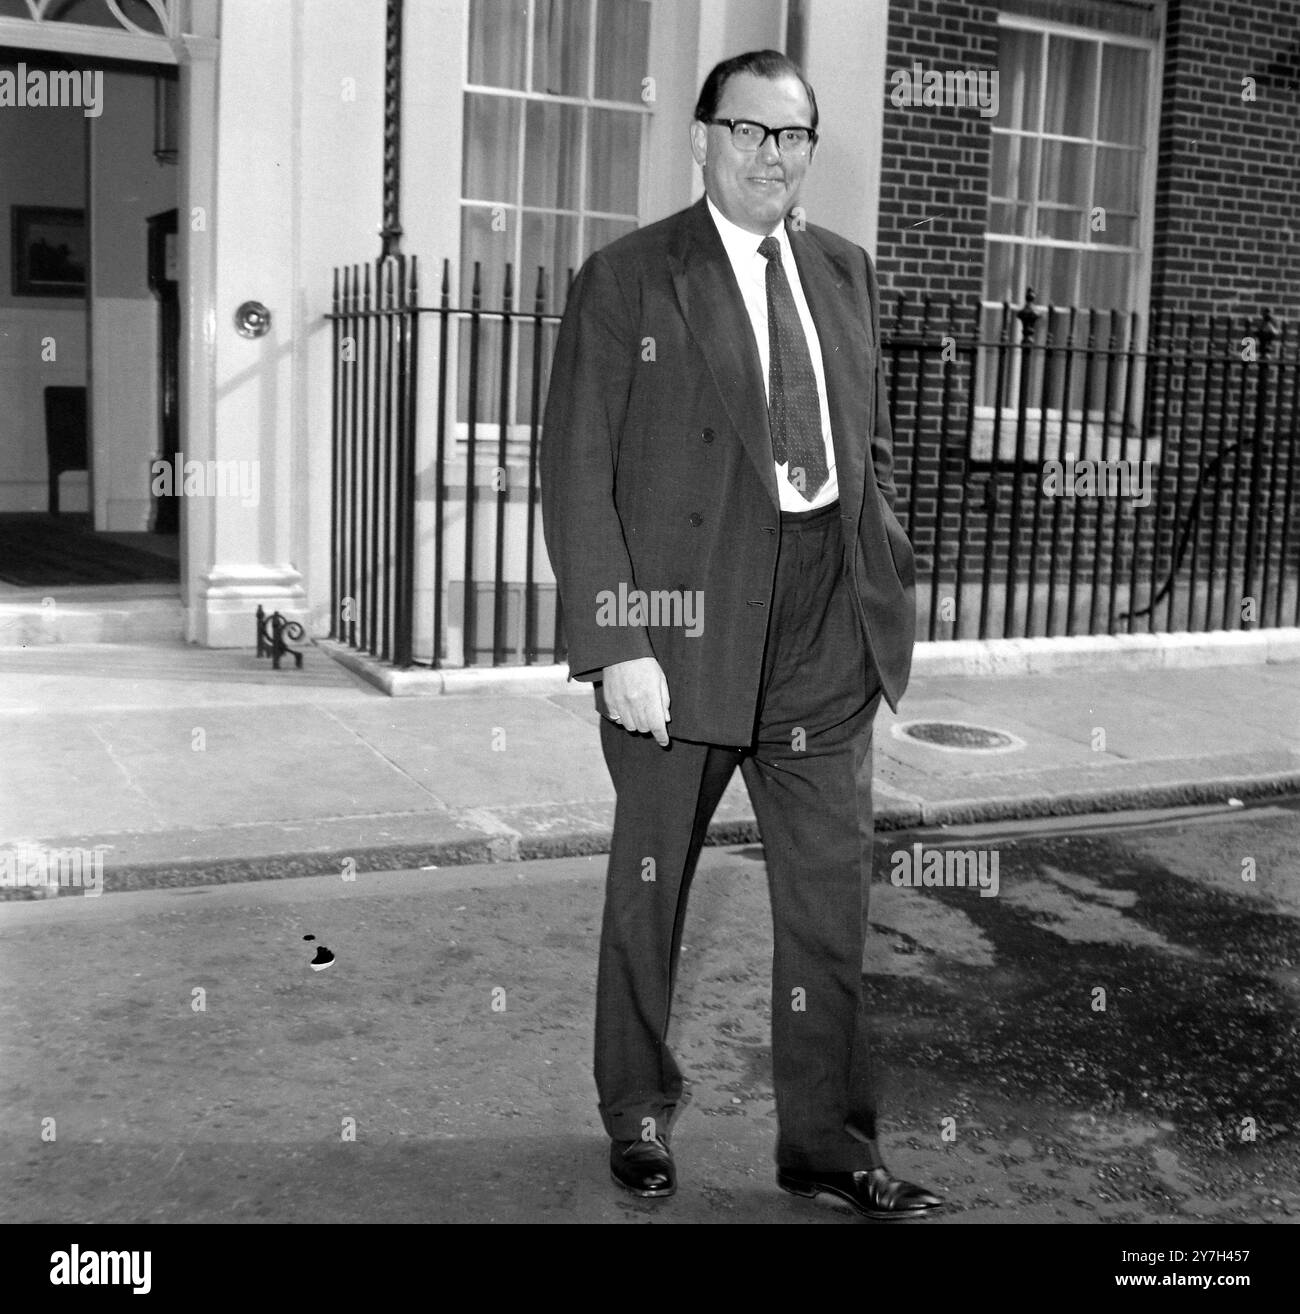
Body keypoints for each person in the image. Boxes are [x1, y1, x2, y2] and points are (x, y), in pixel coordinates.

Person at [540, 48, 943, 1221]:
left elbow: (858, 450)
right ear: (702, 140)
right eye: (752, 131)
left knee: (828, 910)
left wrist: (885, 572)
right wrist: (617, 644)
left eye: (795, 135)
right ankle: (636, 1110)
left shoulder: (844, 271)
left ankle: (825, 1144)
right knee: (650, 891)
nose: (774, 155)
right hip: (680, 632)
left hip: (824, 632)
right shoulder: (630, 277)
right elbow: (577, 475)